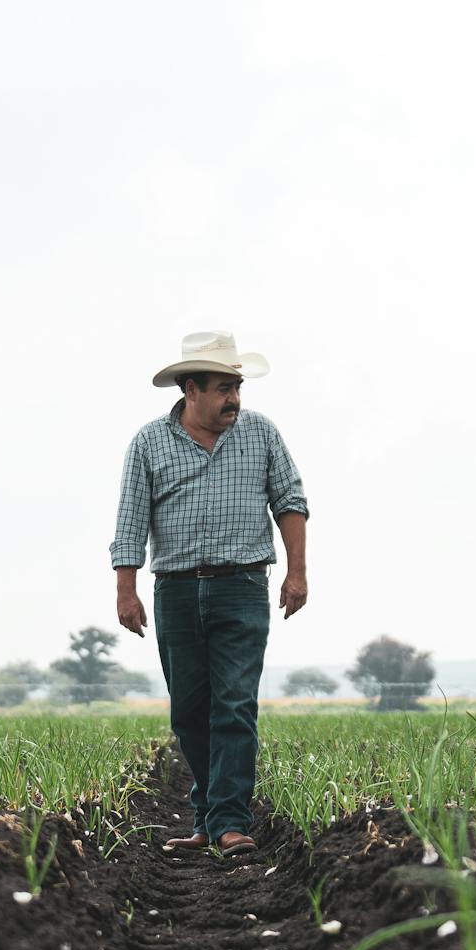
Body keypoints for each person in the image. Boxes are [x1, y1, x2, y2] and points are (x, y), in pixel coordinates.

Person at [110, 330, 309, 857]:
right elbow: (130, 520)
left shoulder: (261, 435)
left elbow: (290, 500)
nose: (234, 399)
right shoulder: (149, 442)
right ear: (190, 388)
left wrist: (297, 573)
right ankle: (208, 817)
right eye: (223, 388)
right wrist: (125, 590)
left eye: (238, 387)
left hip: (242, 587)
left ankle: (230, 821)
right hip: (174, 591)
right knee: (188, 712)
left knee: (235, 706)